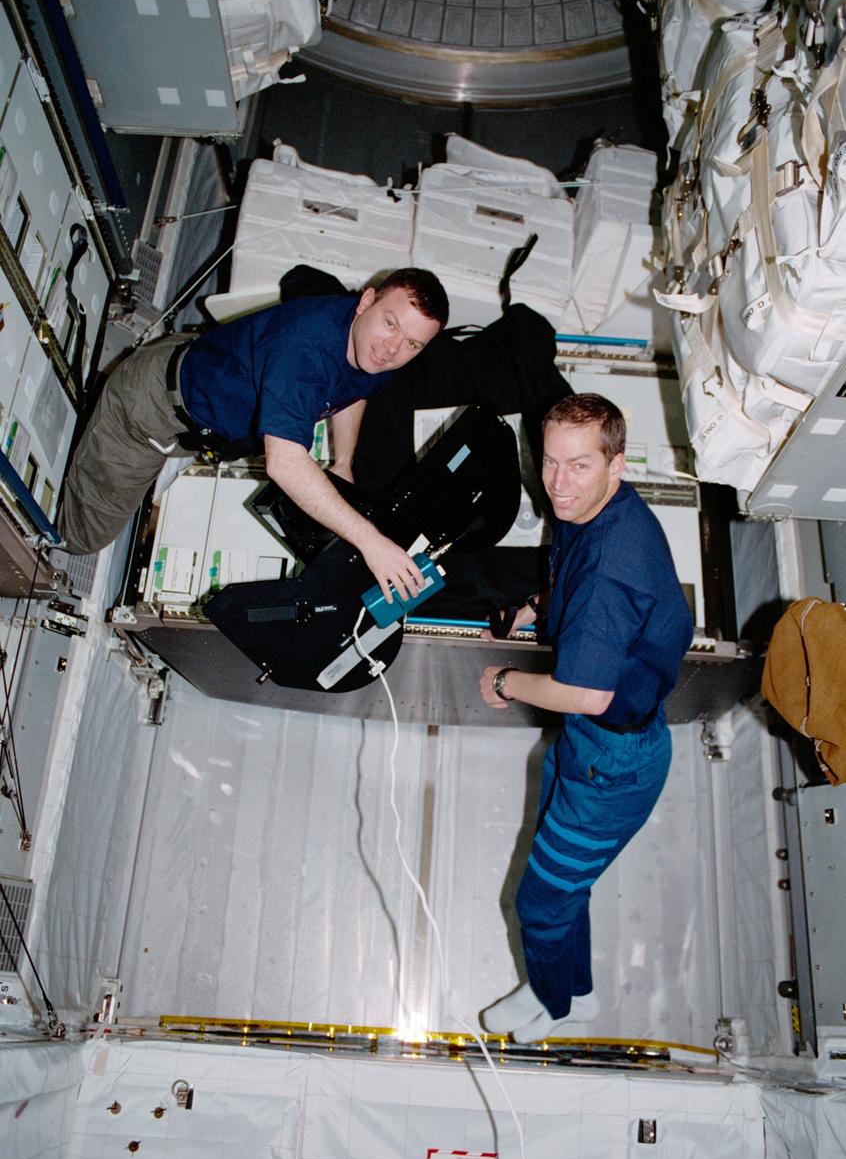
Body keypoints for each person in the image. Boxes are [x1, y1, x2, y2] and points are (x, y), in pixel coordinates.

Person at [478, 393, 693, 1043]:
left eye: (578, 466)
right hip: (592, 747)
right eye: (550, 462)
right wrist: (535, 609)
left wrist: (506, 681)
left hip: (613, 763)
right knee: (565, 883)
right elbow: (570, 575)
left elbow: (587, 694)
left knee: (540, 898)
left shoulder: (610, 573)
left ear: (615, 465)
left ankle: (555, 1005)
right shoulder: (597, 508)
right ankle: (578, 992)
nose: (559, 483)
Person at [58, 268, 448, 601]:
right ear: (365, 302)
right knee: (81, 537)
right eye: (390, 324)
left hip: (206, 393)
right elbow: (285, 464)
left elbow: (356, 388)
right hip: (150, 409)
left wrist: (343, 461)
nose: (391, 349)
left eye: (412, 343)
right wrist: (371, 542)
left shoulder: (373, 347)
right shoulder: (305, 349)